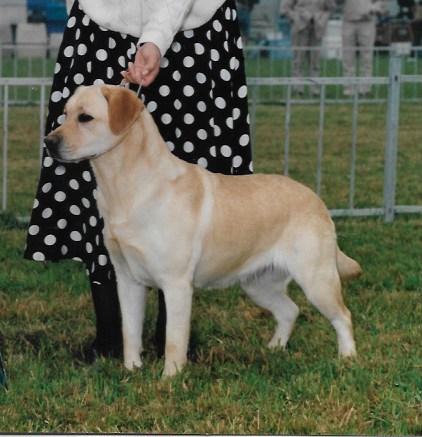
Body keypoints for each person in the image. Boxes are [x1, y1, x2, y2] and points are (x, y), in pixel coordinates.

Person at [24, 0, 253, 362]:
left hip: (193, 29)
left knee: (188, 184)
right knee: (90, 174)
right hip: (100, 25)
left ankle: (172, 338)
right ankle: (111, 337)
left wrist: (156, 39)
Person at [280, 0, 336, 96]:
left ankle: (315, 89)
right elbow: (284, 8)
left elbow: (331, 8)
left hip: (317, 27)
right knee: (298, 60)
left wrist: (322, 19)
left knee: (315, 60)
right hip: (299, 27)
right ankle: (298, 88)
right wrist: (296, 18)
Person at [336, 0, 387, 96]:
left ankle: (365, 88)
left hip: (367, 21)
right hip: (348, 20)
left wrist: (374, 8)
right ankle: (349, 89)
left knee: (367, 56)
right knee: (347, 56)